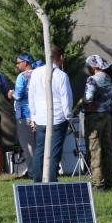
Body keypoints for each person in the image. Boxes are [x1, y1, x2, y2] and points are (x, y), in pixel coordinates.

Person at [28, 44, 73, 183]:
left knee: (40, 150)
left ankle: (37, 179)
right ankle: (52, 179)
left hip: (41, 117)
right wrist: (68, 115)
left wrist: (34, 115)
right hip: (58, 118)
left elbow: (31, 95)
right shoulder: (62, 76)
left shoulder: (35, 72)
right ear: (61, 57)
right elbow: (67, 98)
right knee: (54, 151)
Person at [83, 54, 112, 192]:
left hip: (94, 117)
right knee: (107, 148)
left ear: (93, 66)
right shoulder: (109, 79)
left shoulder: (92, 79)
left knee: (94, 149)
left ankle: (98, 183)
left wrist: (88, 103)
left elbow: (88, 96)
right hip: (106, 115)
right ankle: (109, 180)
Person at [10, 53, 38, 178]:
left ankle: (33, 172)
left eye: (18, 62)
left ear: (25, 63)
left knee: (28, 146)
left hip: (24, 114)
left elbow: (19, 94)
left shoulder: (22, 76)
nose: (17, 65)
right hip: (39, 114)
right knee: (40, 145)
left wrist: (11, 94)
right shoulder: (39, 74)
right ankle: (44, 170)